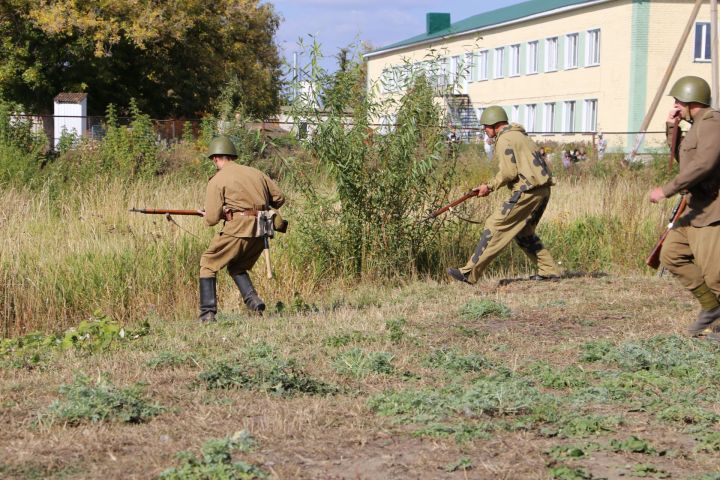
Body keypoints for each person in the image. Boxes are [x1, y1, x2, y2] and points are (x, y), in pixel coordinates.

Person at [447, 105, 562, 284]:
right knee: (524, 232)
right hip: (543, 190)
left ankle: (469, 273)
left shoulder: (504, 139)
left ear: (494, 124)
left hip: (527, 192)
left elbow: (509, 172)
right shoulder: (520, 135)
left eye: (486, 126)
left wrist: (489, 186)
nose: (485, 130)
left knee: (494, 224)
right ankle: (549, 271)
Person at [648, 75, 720, 338]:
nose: (676, 106)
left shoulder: (712, 122)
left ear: (691, 101)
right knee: (671, 254)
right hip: (694, 207)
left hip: (713, 209)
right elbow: (685, 161)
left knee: (715, 276)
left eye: (678, 102)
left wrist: (667, 190)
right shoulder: (697, 125)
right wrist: (672, 128)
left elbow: (704, 165)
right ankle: (712, 308)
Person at [198, 136, 285, 322]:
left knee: (208, 263)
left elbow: (212, 219)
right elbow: (279, 198)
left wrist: (218, 212)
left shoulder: (217, 180)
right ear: (232, 155)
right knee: (237, 266)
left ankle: (207, 314)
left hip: (239, 228)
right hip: (262, 230)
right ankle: (253, 301)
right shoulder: (256, 173)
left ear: (215, 158)